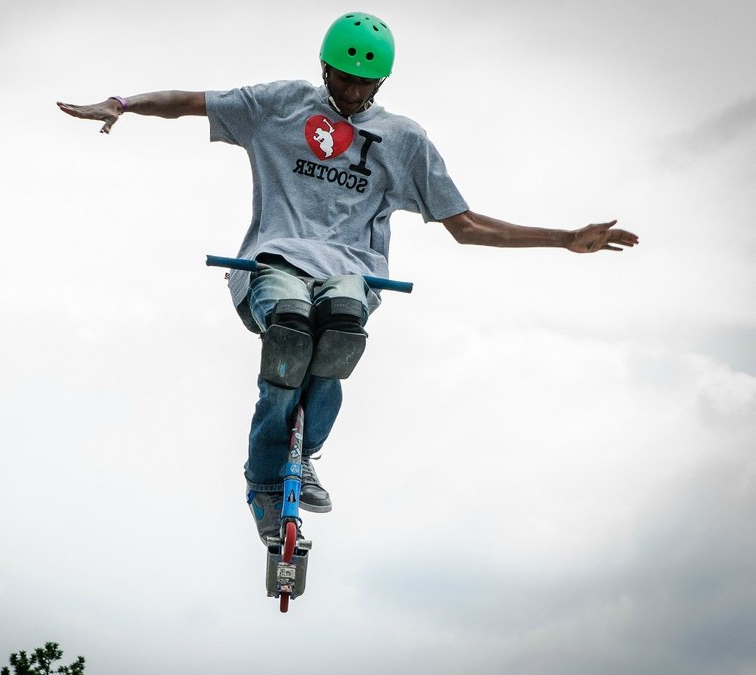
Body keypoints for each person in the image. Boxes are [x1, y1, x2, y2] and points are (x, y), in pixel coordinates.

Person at [57, 12, 639, 545]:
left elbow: (463, 224)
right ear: (323, 67)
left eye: (364, 86)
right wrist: (123, 103)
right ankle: (263, 484)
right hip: (275, 260)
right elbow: (190, 102)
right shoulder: (278, 105)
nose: (351, 94)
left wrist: (563, 238)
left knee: (339, 327)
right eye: (341, 80)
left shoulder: (405, 140)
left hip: (353, 274)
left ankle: (303, 452)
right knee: (289, 327)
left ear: (383, 84)